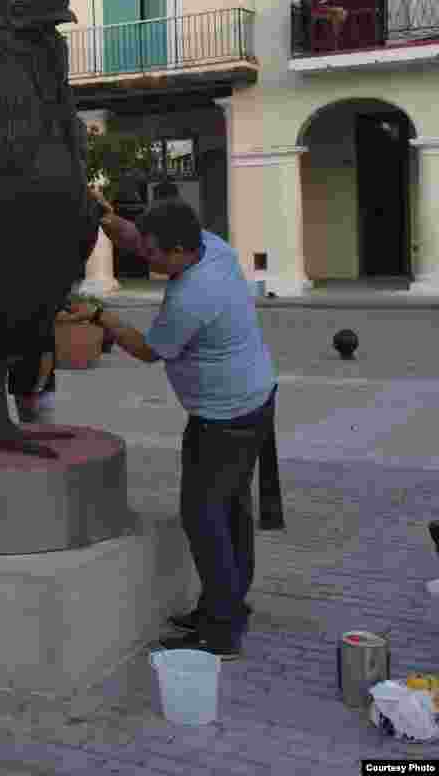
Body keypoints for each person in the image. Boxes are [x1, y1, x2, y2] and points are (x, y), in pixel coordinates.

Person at [88, 190, 282, 660]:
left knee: (205, 516)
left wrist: (101, 316)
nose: (144, 259)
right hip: (247, 402)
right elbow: (136, 238)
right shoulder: (210, 244)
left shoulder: (194, 294)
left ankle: (220, 632)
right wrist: (106, 217)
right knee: (231, 508)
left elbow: (149, 350)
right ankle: (228, 605)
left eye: (153, 255)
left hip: (227, 417)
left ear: (178, 252)